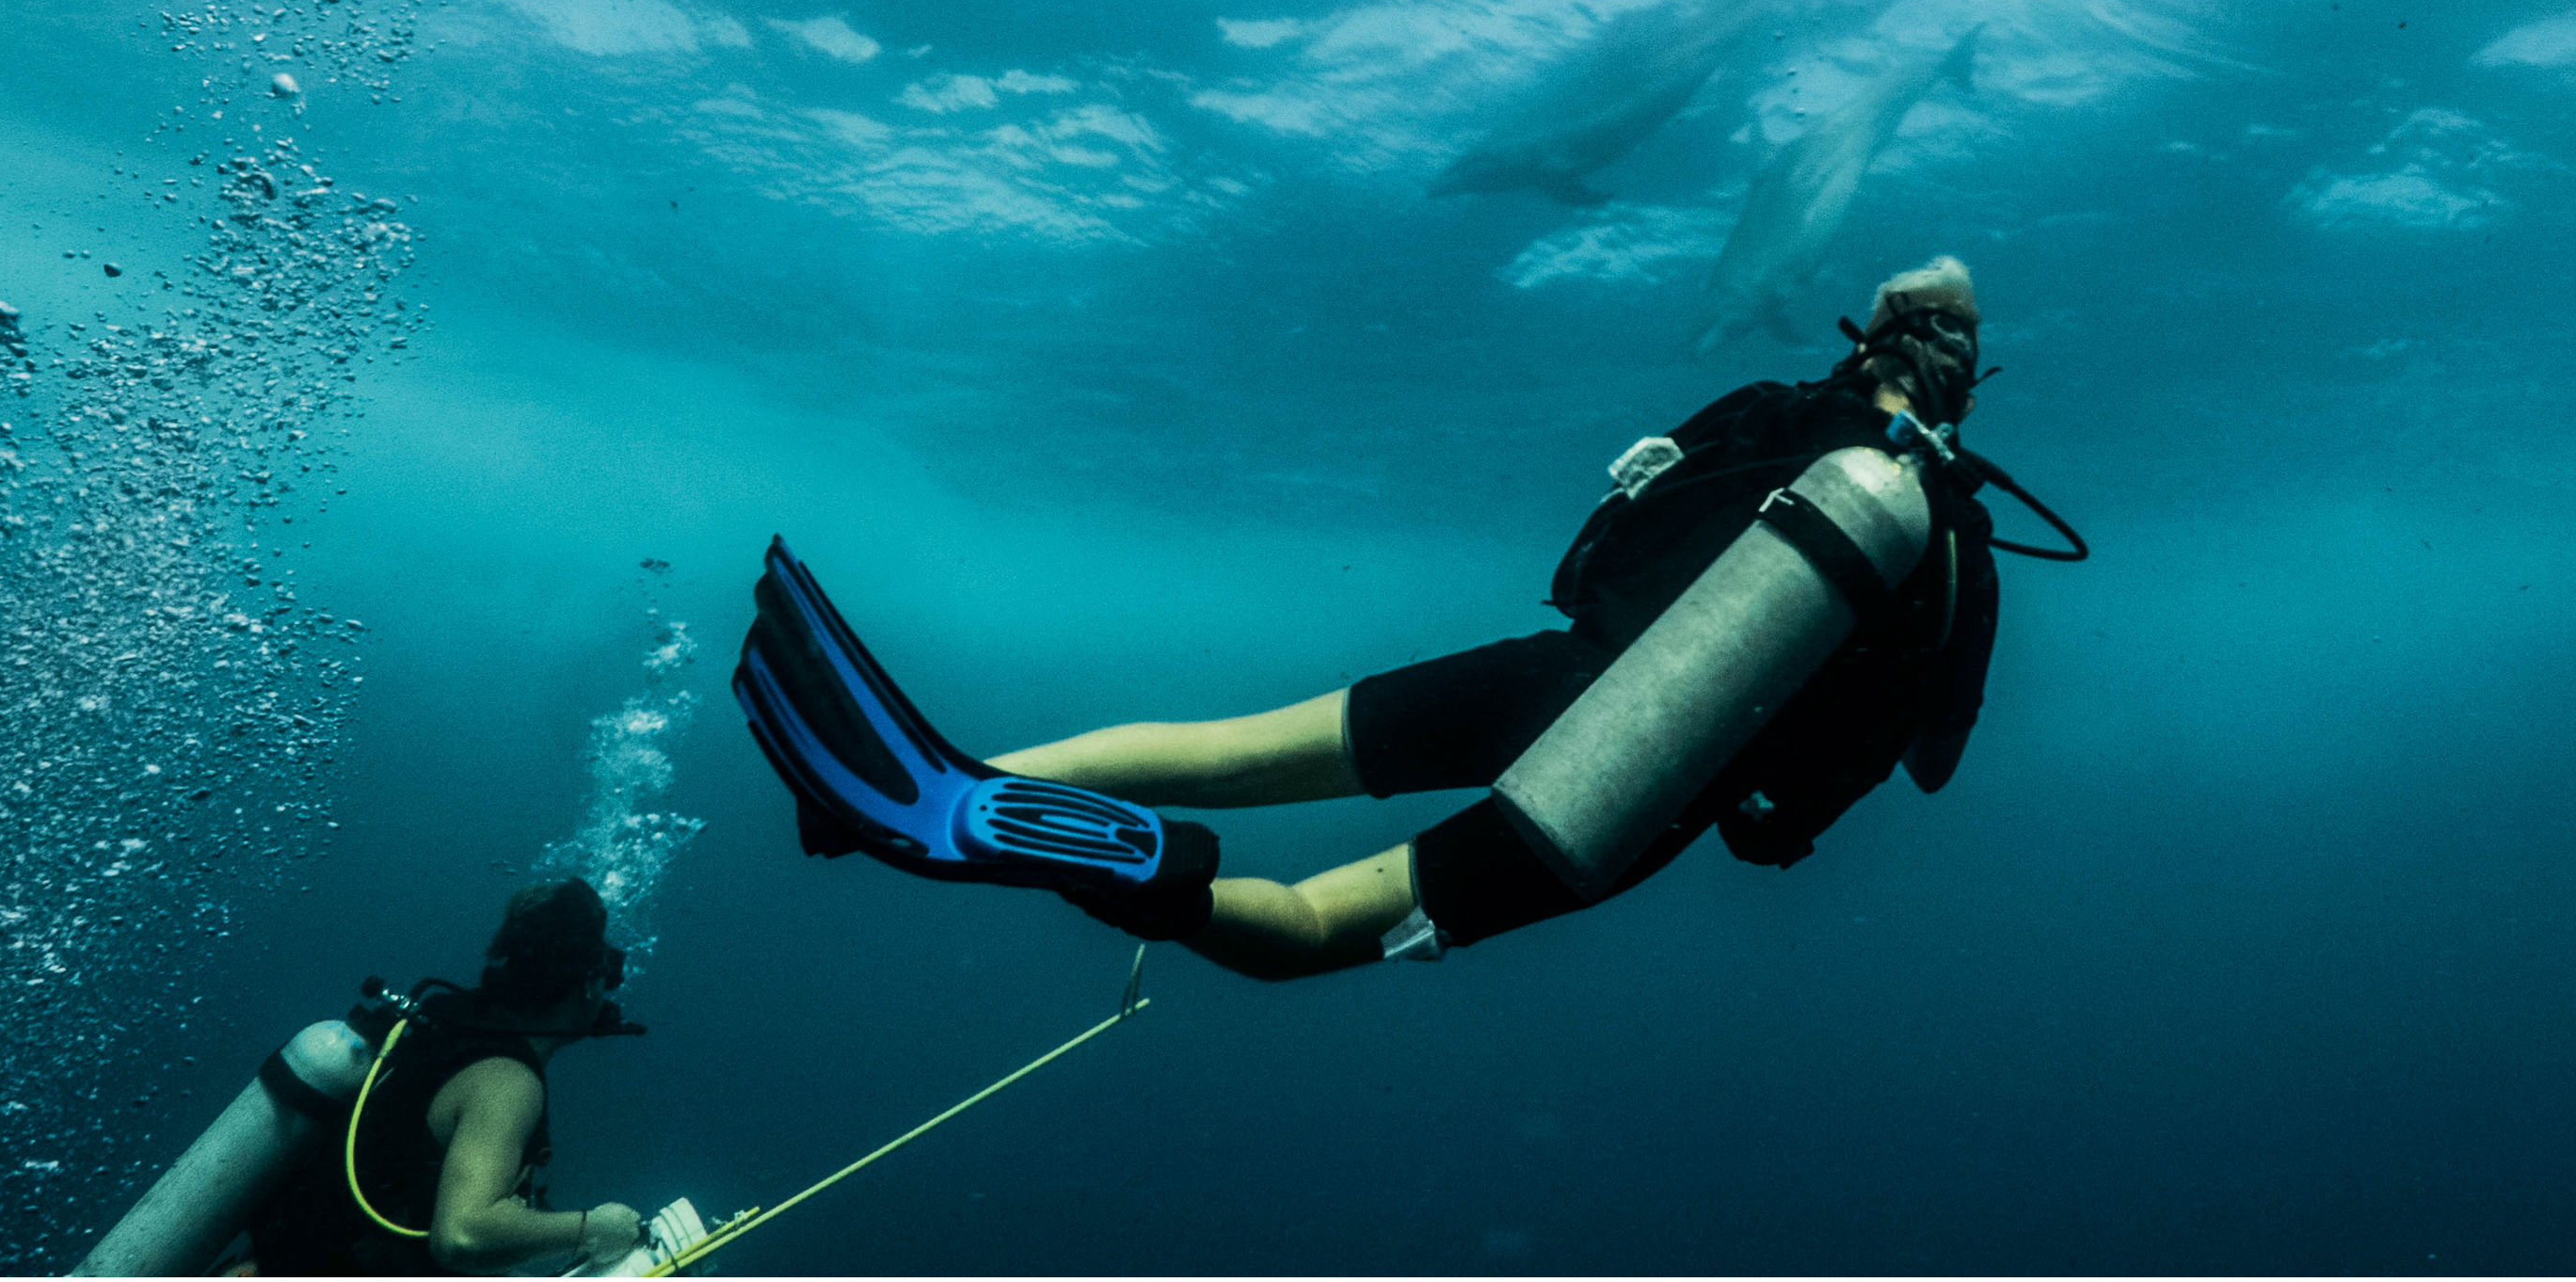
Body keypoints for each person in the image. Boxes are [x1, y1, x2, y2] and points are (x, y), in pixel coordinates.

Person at [736, 258, 2083, 977]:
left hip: (1547, 675)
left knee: (1219, 748)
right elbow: (1922, 757)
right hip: (1644, 790)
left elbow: (1613, 523)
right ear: (1975, 387)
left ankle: (920, 800)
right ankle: (1143, 873)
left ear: (1869, 340)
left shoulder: (1785, 410)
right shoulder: (1963, 550)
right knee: (1316, 929)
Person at [243, 882, 651, 1274]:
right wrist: (594, 1229)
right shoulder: (507, 1082)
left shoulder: (442, 1024)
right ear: (588, 984)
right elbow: (461, 1236)